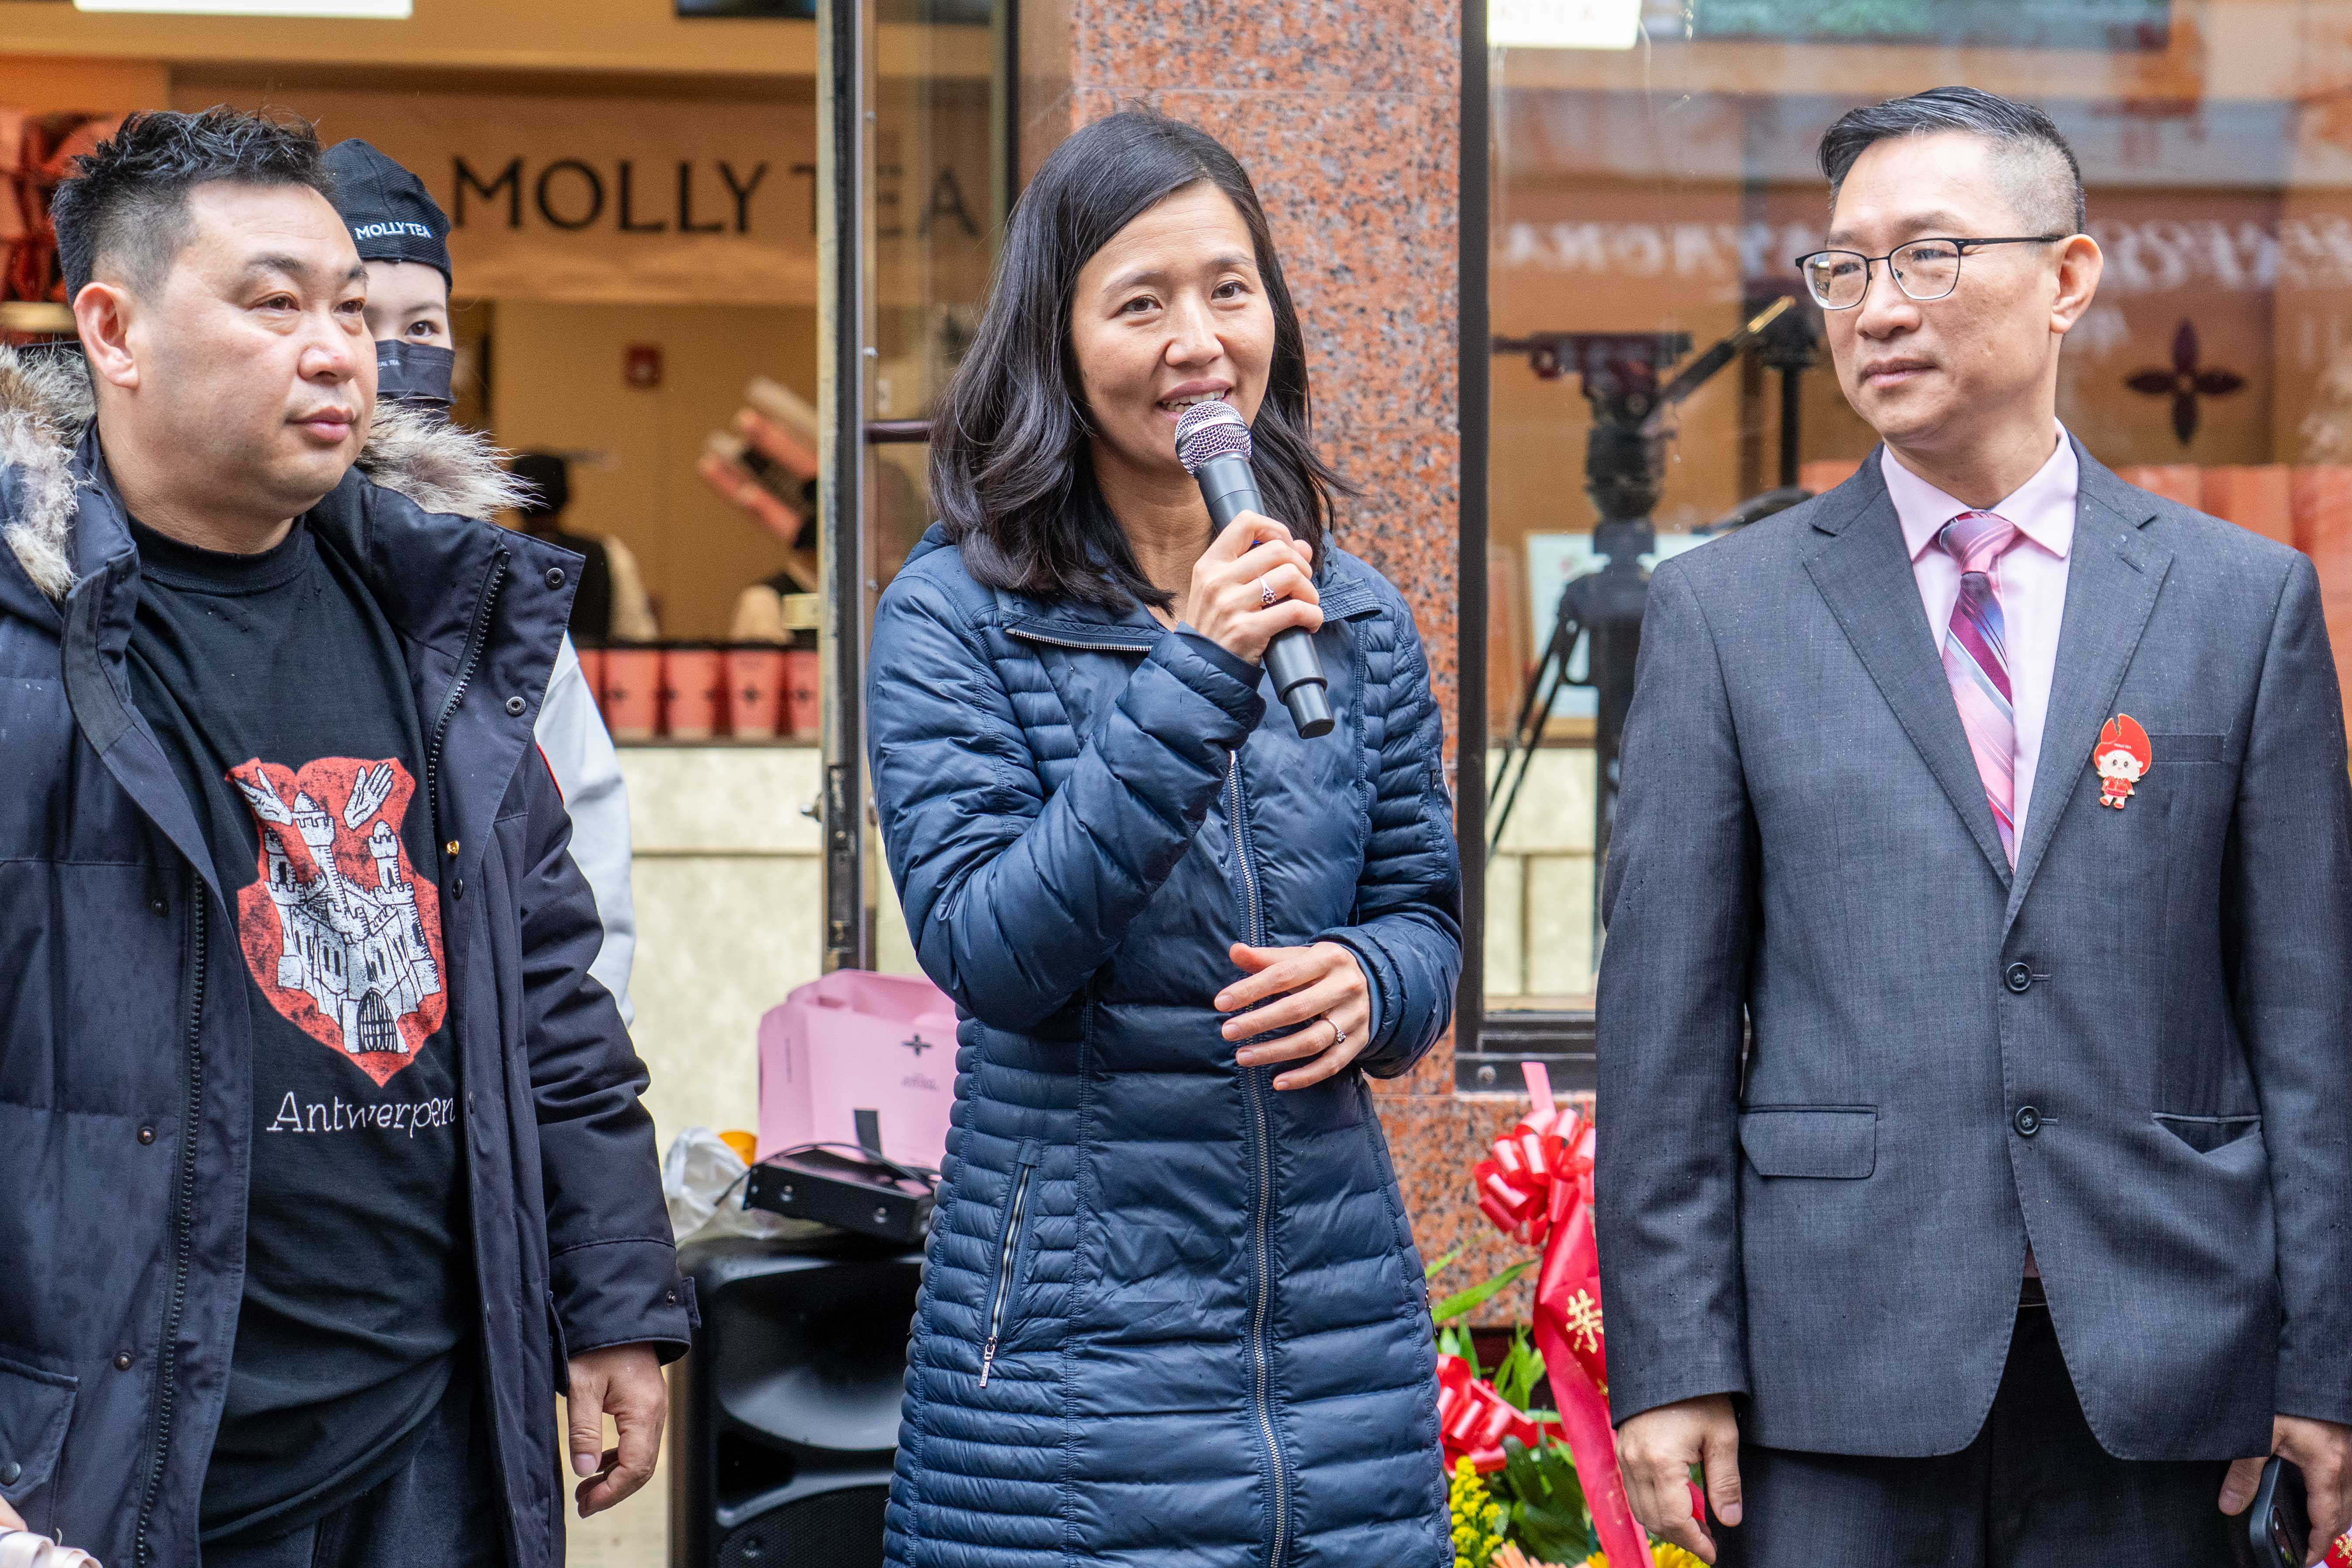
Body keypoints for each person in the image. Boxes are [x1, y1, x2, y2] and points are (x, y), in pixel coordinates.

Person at [1596, 85, 2352, 1565]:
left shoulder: (2238, 603)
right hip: (1830, 1373)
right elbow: (1662, 1028)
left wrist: (2319, 1363)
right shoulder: (1721, 615)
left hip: (2167, 1373)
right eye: (1843, 267)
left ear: (2065, 277)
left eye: (1927, 256)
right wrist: (1673, 1360)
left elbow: (2306, 1020)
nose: (1876, 307)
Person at [0, 109, 689, 1568]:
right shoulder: (24, 637)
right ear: (113, 331)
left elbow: (548, 992)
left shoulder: (435, 618)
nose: (338, 353)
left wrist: (614, 1298)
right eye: (275, 305)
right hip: (115, 1460)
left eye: (354, 312)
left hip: (428, 1438)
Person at [864, 110, 1461, 1567]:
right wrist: (1194, 672)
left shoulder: (1355, 615)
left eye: (1228, 290)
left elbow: (1423, 918)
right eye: (1140, 304)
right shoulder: (952, 616)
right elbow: (993, 951)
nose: (1198, 342)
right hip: (1070, 1378)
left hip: (1333, 1364)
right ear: (1055, 344)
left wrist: (1373, 983)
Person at [321, 136, 640, 1026]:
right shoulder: (235, 547)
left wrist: (584, 1060)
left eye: (424, 327)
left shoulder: (494, 589)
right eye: (359, 315)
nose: (395, 354)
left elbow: (584, 845)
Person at [507, 449, 658, 643]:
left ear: (511, 497)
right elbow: (637, 637)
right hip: (589, 664)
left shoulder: (491, 551)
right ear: (568, 496)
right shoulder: (608, 553)